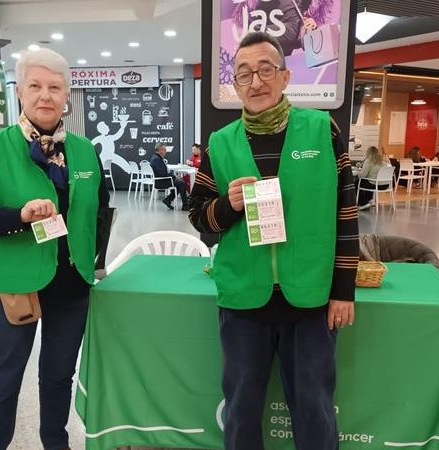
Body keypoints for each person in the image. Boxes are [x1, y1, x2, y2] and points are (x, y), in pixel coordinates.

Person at [188, 32, 358, 450]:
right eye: (243, 73)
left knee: (315, 408)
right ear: (235, 84)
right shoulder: (219, 143)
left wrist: (343, 288)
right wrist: (227, 206)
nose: (255, 81)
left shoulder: (322, 129)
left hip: (311, 298)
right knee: (242, 409)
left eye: (265, 70)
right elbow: (200, 218)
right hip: (244, 298)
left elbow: (346, 210)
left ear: (284, 77)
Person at [0, 48, 109, 450]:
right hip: (16, 285)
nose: (46, 95)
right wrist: (18, 217)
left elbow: (99, 210)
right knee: (3, 380)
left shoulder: (84, 150)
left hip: (71, 285)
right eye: (36, 86)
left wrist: (94, 262)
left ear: (67, 95)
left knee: (58, 377)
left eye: (55, 87)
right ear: (20, 91)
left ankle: (55, 443)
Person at [150, 143, 189, 210]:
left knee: (179, 183)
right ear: (160, 150)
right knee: (181, 183)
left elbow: (163, 172)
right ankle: (185, 205)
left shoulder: (156, 157)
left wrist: (174, 176)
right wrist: (174, 176)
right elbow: (162, 173)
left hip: (161, 180)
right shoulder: (157, 159)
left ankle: (168, 200)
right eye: (164, 150)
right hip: (161, 182)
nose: (166, 151)